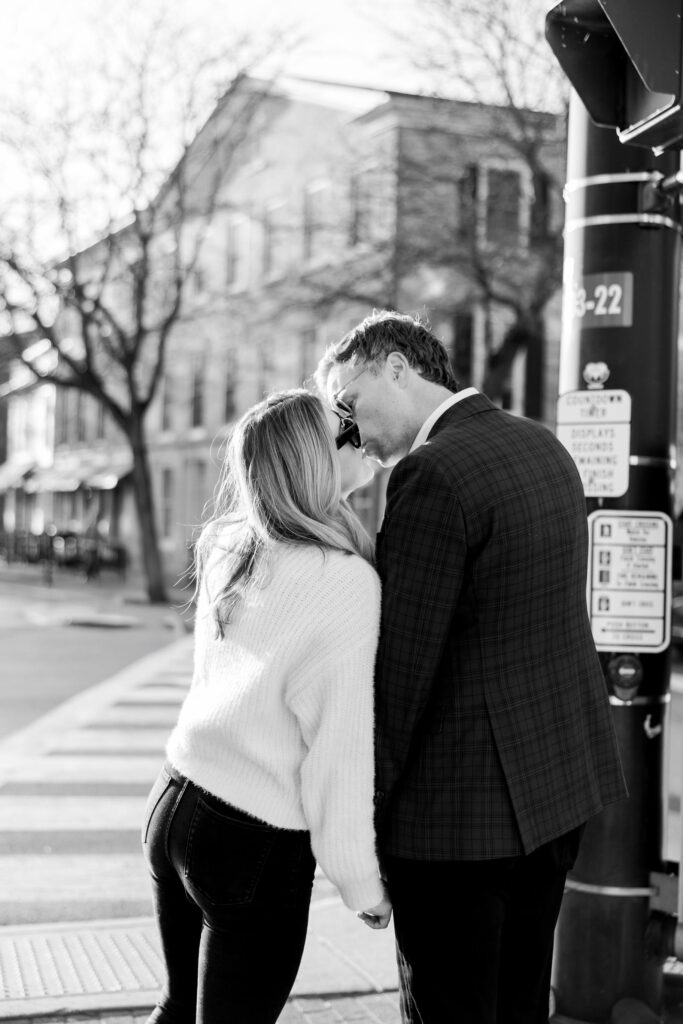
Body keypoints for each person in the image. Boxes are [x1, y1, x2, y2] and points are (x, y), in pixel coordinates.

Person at [317, 310, 628, 1024]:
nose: (348, 431)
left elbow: (400, 678)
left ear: (397, 367)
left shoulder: (430, 473)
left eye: (349, 402)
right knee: (521, 1004)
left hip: (456, 826)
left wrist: (361, 831)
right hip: (556, 799)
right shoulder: (543, 445)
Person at [142, 389, 391, 1024]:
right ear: (314, 460)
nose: (360, 436)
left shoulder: (227, 542)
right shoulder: (344, 582)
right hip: (250, 838)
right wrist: (360, 881)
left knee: (176, 1009)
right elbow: (337, 755)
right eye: (345, 430)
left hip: (173, 798)